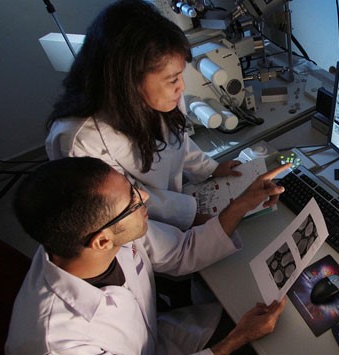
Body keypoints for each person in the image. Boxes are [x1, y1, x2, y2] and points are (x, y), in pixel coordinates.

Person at [5, 157, 289, 354]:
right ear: (102, 241)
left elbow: (183, 252)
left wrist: (241, 204)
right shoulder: (57, 343)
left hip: (158, 338)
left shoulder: (98, 237)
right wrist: (236, 340)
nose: (145, 197)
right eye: (132, 201)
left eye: (132, 187)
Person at [46, 0, 239, 231]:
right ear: (129, 80)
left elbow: (180, 143)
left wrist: (211, 168)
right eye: (172, 79)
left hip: (177, 207)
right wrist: (192, 217)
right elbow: (127, 202)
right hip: (136, 230)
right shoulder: (79, 139)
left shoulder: (163, 97)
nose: (182, 88)